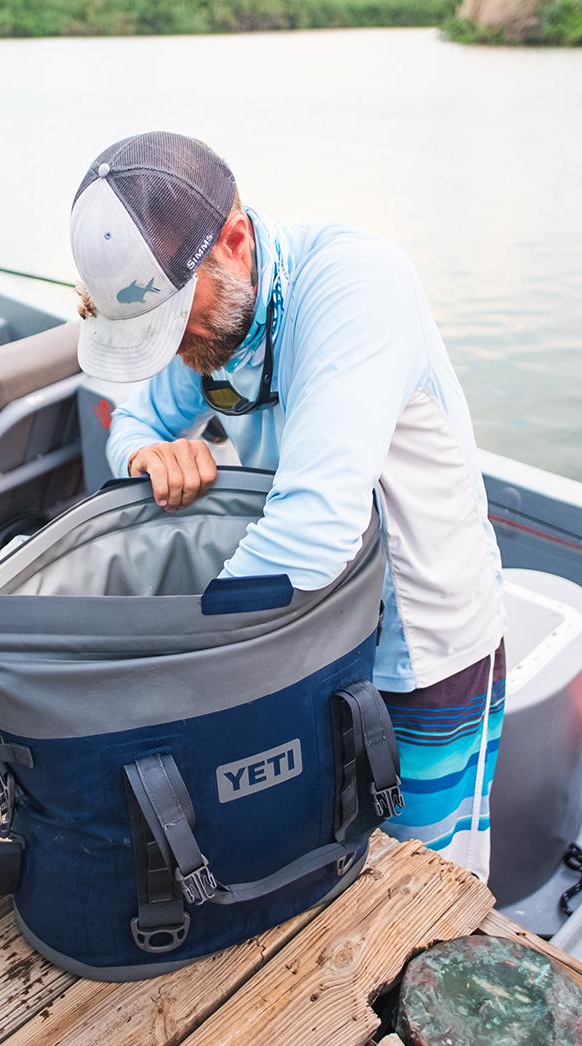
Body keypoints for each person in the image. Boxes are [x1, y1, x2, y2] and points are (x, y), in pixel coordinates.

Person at [70, 132, 506, 881]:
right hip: (310, 643)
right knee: (335, 862)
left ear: (233, 240)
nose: (175, 348)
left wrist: (158, 677)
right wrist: (146, 455)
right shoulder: (213, 329)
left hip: (424, 653)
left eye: (176, 320)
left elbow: (311, 531)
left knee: (430, 882)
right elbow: (136, 420)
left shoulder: (354, 286)